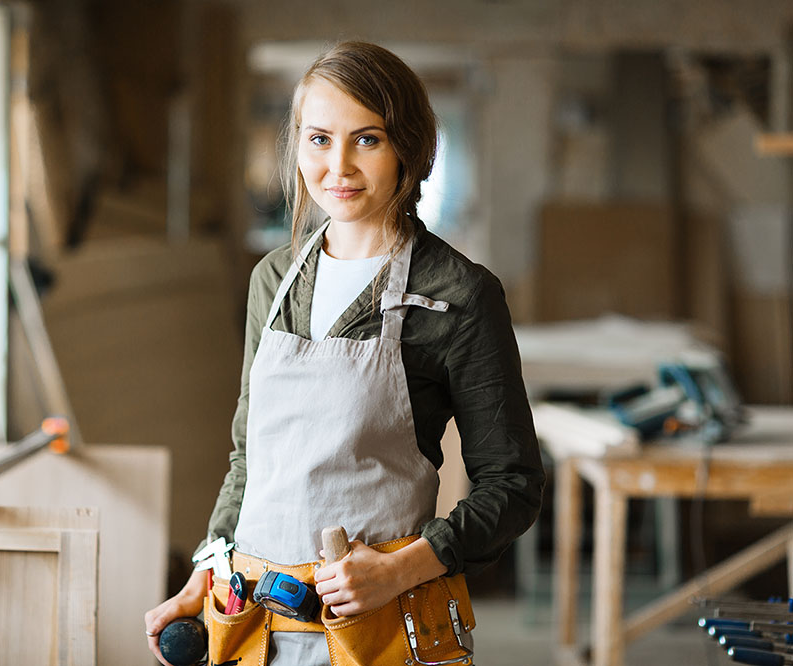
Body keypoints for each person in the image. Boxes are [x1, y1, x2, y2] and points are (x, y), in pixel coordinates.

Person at [145, 40, 545, 666]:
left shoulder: (457, 295)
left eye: (368, 139)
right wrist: (208, 565)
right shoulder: (273, 281)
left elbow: (512, 484)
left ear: (409, 148)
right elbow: (250, 459)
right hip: (253, 625)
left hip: (379, 629)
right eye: (319, 139)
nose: (339, 167)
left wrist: (402, 568)